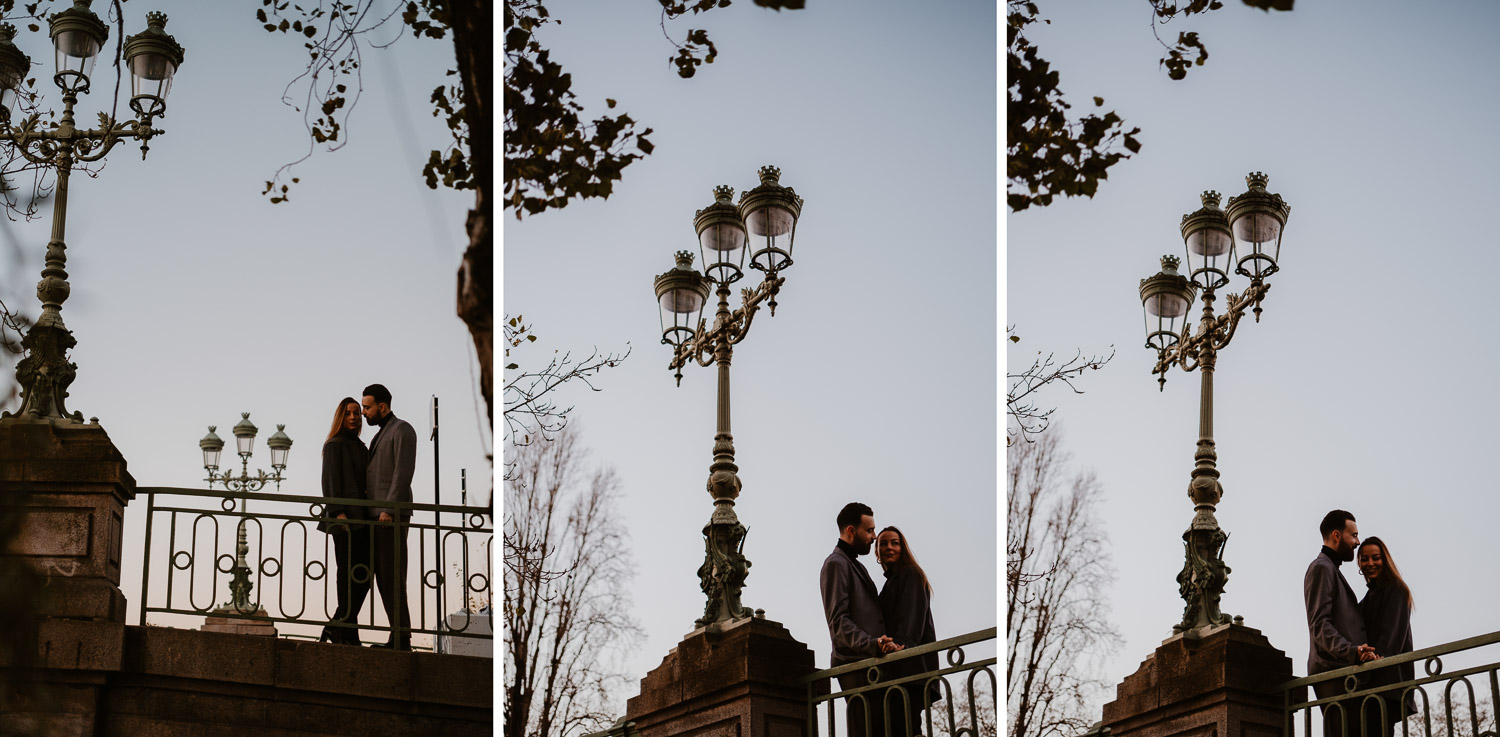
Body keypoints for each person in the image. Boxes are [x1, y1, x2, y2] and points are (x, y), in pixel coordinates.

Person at [820, 502, 901, 737]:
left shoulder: (855, 566)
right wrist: (872, 644)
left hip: (869, 667)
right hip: (856, 668)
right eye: (869, 531)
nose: (874, 537)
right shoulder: (836, 564)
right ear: (851, 531)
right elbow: (838, 623)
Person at [1304, 509, 1379, 737]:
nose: (1357, 542)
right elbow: (1320, 626)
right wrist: (1353, 652)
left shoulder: (1330, 569)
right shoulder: (1321, 568)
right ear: (1337, 535)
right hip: (1334, 676)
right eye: (1353, 535)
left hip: (1341, 675)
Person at [362, 383, 417, 650]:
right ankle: (397, 637)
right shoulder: (382, 433)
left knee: (393, 576)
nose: (364, 413)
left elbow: (403, 474)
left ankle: (402, 638)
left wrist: (388, 509)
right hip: (377, 516)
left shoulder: (402, 429)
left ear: (382, 407)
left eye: (367, 407)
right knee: (385, 578)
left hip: (389, 517)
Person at [877, 526, 939, 737]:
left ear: (903, 548)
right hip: (897, 668)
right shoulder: (889, 584)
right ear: (877, 551)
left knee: (907, 728)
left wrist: (899, 646)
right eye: (883, 543)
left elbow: (911, 620)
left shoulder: (911, 574)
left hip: (909, 666)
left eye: (895, 543)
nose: (889, 547)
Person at [318, 397, 371, 645]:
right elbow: (329, 483)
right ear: (341, 417)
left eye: (357, 413)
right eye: (349, 413)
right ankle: (346, 632)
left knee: (363, 575)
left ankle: (337, 626)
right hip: (345, 520)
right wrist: (338, 513)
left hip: (363, 519)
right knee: (347, 575)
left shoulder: (361, 447)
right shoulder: (334, 445)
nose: (354, 417)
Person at [1358, 536, 1415, 735]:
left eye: (1376, 558)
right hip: (1371, 683)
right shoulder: (1366, 599)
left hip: (1387, 684)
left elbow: (1392, 636)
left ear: (1385, 560)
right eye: (1364, 559)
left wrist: (1376, 656)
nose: (1370, 563)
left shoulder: (1397, 590)